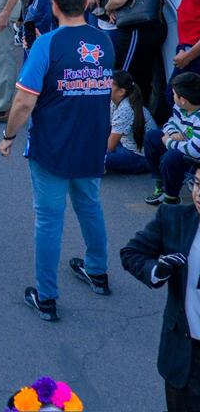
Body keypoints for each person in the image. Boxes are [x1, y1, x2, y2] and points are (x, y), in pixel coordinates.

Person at [0, 0, 114, 322]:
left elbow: (22, 102)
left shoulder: (47, 45)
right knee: (90, 207)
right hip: (92, 144)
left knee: (49, 220)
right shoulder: (104, 42)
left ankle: (46, 296)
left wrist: (8, 136)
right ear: (87, 2)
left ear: (54, 5)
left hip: (53, 146)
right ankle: (97, 271)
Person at [121, 171, 200, 411]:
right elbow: (131, 253)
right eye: (197, 183)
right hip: (185, 356)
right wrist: (158, 270)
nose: (198, 193)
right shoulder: (173, 218)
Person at [144, 74, 200, 207]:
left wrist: (168, 142)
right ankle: (160, 183)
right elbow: (170, 122)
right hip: (182, 142)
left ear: (183, 100)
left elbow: (194, 151)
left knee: (171, 157)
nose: (172, 96)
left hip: (195, 151)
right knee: (151, 137)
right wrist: (173, 132)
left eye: (174, 94)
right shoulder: (181, 107)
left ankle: (171, 197)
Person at [106, 70, 152, 174]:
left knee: (96, 158)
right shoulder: (115, 102)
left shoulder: (125, 108)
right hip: (124, 145)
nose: (104, 87)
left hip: (139, 157)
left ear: (121, 92)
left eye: (109, 85)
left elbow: (109, 147)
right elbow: (105, 128)